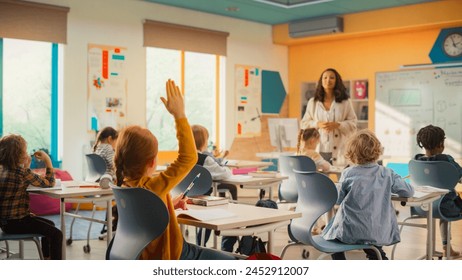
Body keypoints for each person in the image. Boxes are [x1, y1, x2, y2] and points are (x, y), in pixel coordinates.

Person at [113, 79, 235, 260]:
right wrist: (179, 115)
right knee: (233, 260)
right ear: (151, 162)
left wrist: (166, 204)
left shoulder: (124, 185)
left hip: (143, 257)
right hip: (174, 256)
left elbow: (146, 216)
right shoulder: (153, 187)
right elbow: (189, 157)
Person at [322, 129, 414, 260]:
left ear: (352, 153)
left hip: (350, 231)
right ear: (377, 151)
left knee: (331, 238)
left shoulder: (348, 173)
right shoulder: (387, 173)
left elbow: (337, 200)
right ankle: (378, 257)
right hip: (376, 231)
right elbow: (409, 191)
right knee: (371, 242)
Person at [0, 134, 63, 260]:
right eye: (25, 151)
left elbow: (13, 195)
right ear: (19, 155)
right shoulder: (22, 173)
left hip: (5, 223)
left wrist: (26, 167)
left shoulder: (3, 170)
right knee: (57, 234)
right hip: (18, 223)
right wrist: (48, 161)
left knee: (49, 224)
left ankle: (46, 257)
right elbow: (49, 183)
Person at [414, 124, 462, 257]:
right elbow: (459, 174)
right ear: (441, 143)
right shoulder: (446, 160)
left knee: (441, 206)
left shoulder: (417, 160)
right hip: (446, 207)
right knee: (445, 207)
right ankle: (447, 248)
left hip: (422, 206)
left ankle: (447, 249)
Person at [191, 124, 238, 251]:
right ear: (203, 142)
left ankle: (200, 244)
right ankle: (211, 246)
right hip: (203, 199)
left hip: (185, 199)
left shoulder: (183, 158)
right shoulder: (205, 159)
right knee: (228, 211)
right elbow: (224, 173)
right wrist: (226, 167)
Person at [300, 68, 357, 167]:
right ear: (321, 81)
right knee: (320, 180)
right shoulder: (313, 102)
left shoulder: (345, 102)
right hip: (318, 149)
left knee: (342, 179)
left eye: (332, 78)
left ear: (337, 81)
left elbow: (353, 124)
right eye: (325, 78)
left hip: (339, 150)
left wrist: (338, 125)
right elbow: (304, 124)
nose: (328, 80)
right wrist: (317, 124)